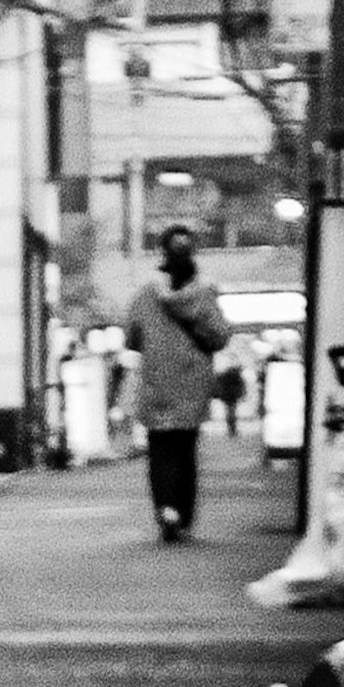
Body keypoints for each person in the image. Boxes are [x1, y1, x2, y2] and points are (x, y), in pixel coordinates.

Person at [119, 229, 231, 541]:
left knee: (160, 450)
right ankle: (182, 514)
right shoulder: (205, 294)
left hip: (157, 383)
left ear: (163, 259)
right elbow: (220, 336)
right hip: (192, 384)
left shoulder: (146, 295)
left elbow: (131, 337)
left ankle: (166, 508)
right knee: (185, 450)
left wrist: (155, 344)